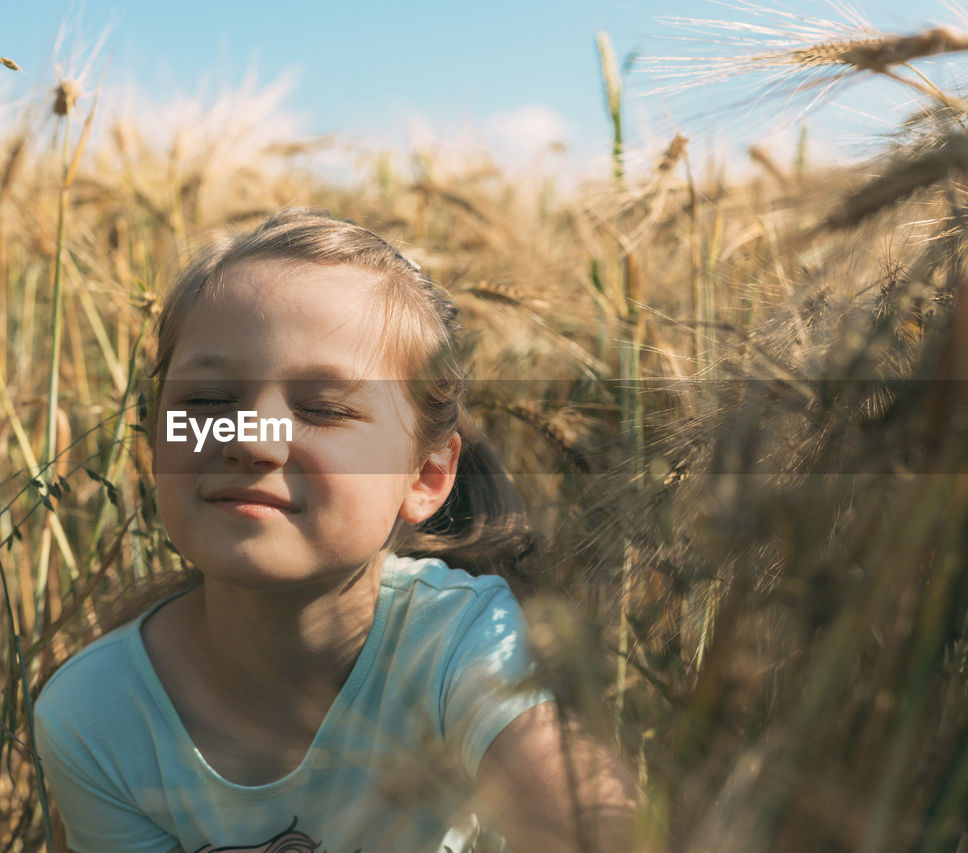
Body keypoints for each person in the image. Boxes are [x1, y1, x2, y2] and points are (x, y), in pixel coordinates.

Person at [35, 210, 639, 852]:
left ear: (426, 477)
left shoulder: (461, 644)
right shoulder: (93, 714)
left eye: (323, 409)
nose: (249, 439)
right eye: (208, 401)